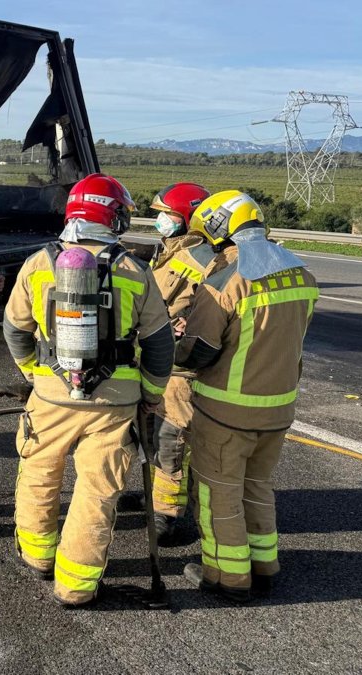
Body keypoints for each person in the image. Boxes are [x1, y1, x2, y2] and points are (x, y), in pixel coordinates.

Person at [2, 173, 174, 607]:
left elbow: (15, 330)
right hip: (115, 404)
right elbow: (158, 344)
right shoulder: (135, 269)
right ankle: (76, 586)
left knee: (40, 473)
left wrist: (33, 374)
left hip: (50, 396)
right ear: (110, 215)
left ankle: (39, 557)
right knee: (97, 492)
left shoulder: (38, 263)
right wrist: (152, 394)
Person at [176, 190, 318, 603]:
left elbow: (200, 351)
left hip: (227, 411)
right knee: (256, 486)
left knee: (217, 492)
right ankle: (264, 565)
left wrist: (175, 347)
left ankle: (227, 577)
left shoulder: (226, 280)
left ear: (220, 228)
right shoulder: (303, 274)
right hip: (279, 408)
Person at [119, 183, 218, 545]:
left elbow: (159, 301)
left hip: (179, 370)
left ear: (188, 219)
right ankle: (151, 495)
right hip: (158, 361)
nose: (160, 220)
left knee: (170, 439)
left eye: (168, 214)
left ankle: (166, 514)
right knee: (150, 434)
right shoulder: (173, 251)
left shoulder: (195, 258)